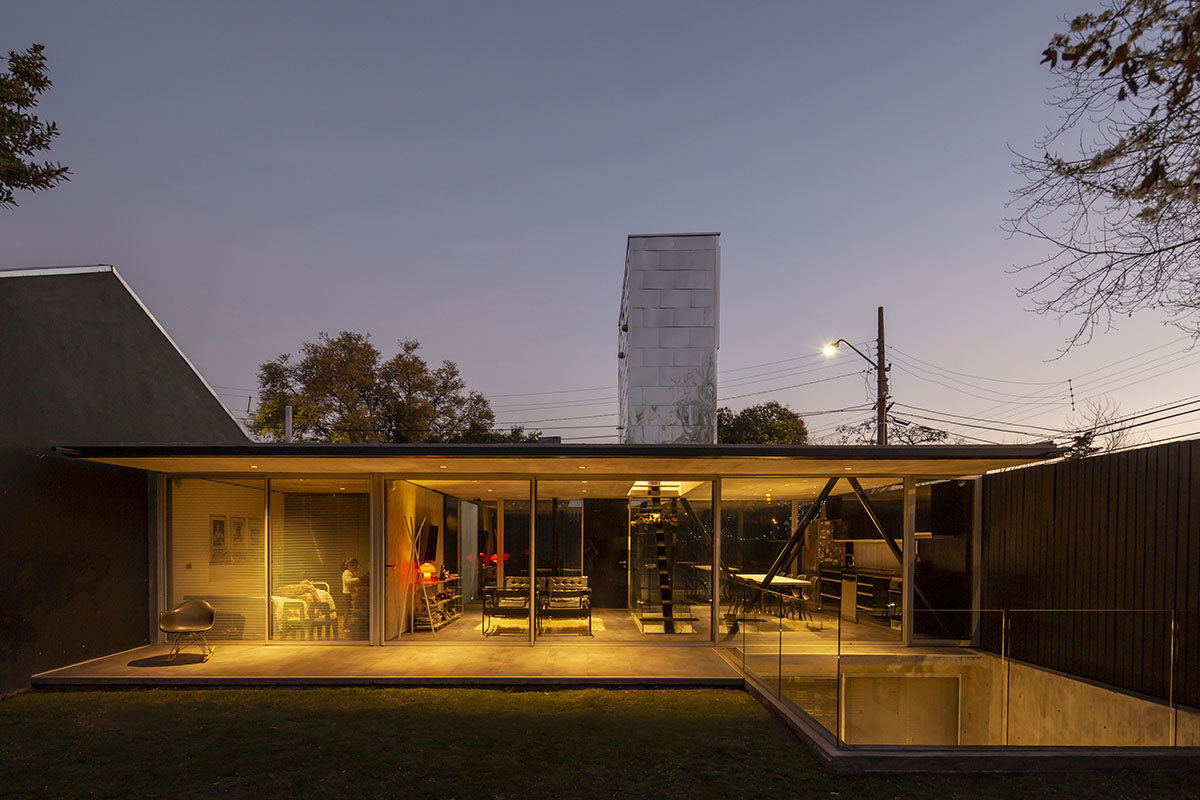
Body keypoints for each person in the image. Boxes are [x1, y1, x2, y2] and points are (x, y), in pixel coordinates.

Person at [341, 557, 362, 635]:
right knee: (348, 610)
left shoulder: (352, 573)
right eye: (355, 566)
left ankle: (350, 625)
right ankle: (346, 626)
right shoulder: (346, 573)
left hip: (351, 594)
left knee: (350, 610)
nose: (356, 568)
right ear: (350, 566)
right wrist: (357, 579)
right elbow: (348, 581)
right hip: (347, 594)